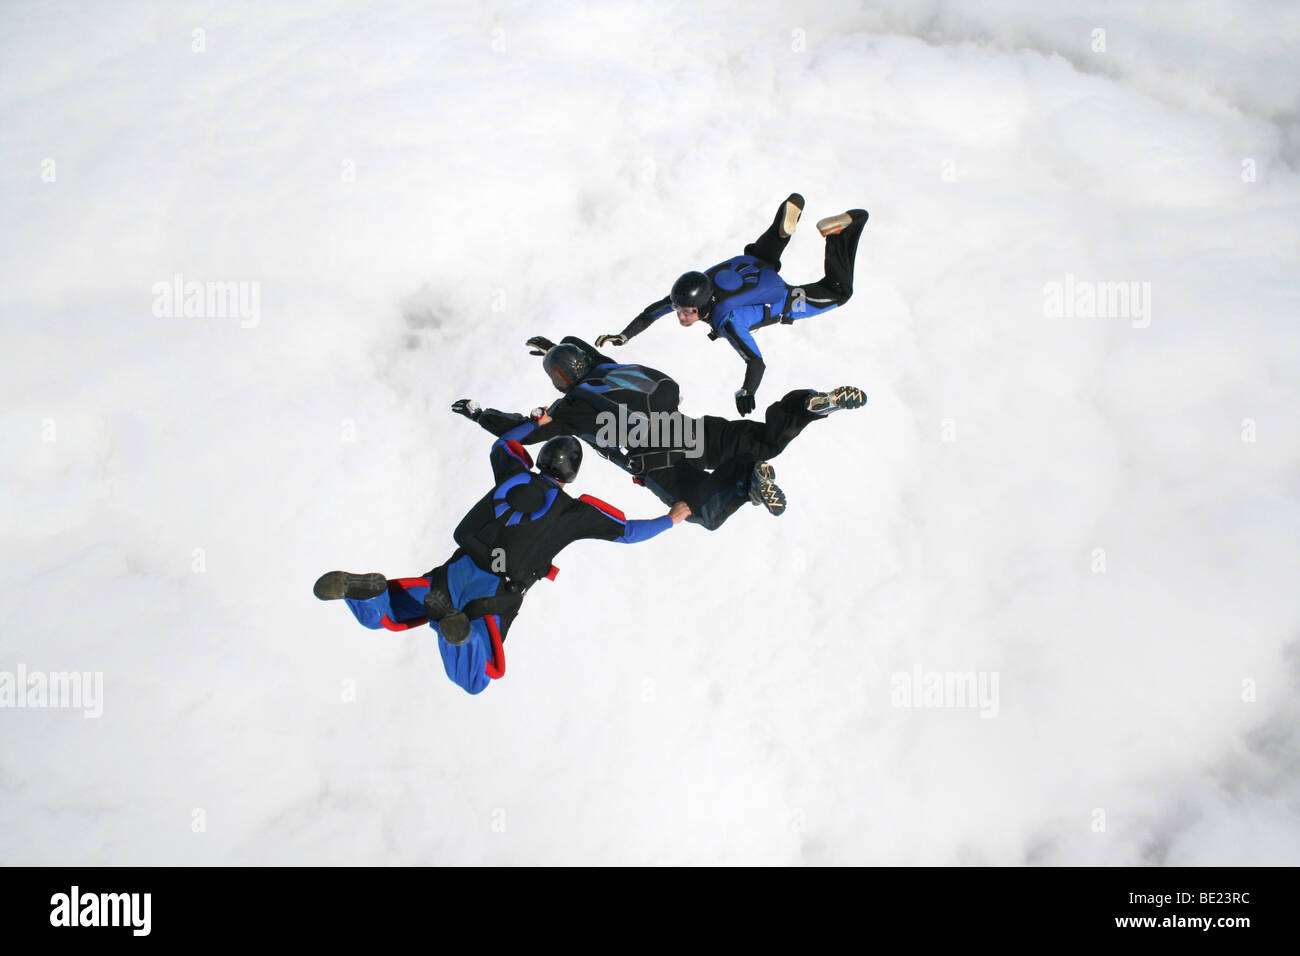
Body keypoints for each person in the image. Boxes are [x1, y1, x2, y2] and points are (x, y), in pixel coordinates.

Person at [313, 421, 689, 695]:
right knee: (474, 680)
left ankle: (362, 590)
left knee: (390, 614)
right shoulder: (575, 513)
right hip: (492, 592)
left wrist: (536, 423)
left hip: (452, 575)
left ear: (541, 457)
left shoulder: (513, 472)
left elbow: (503, 444)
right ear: (572, 474)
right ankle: (456, 637)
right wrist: (672, 518)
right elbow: (628, 532)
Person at [456, 335, 866, 531]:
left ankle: (748, 485)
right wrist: (556, 345)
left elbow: (521, 433)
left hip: (654, 463)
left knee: (704, 511)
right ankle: (809, 403)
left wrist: (480, 414)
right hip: (686, 432)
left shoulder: (569, 410)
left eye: (558, 375)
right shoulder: (605, 369)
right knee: (765, 442)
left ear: (566, 378)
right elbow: (588, 352)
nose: (558, 382)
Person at [594, 194, 868, 415]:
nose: (680, 316)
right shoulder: (694, 291)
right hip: (755, 265)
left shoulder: (728, 321)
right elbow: (651, 313)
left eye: (686, 313)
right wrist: (624, 335)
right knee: (764, 255)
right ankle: (782, 228)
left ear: (701, 309)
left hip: (779, 298)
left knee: (839, 292)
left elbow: (756, 362)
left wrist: (747, 391)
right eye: (678, 310)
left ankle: (841, 234)